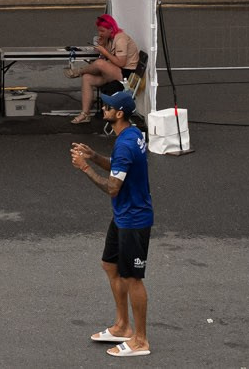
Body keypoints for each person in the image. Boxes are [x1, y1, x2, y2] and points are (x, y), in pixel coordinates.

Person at [70, 88, 154, 358]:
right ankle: (122, 326)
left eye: (107, 107)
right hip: (124, 216)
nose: (103, 109)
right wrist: (94, 156)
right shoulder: (130, 134)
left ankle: (140, 340)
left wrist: (85, 167)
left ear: (119, 114)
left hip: (134, 219)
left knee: (132, 278)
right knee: (110, 264)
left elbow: (113, 188)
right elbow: (120, 166)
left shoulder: (126, 144)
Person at [66, 12, 140, 124]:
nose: (100, 33)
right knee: (87, 78)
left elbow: (121, 62)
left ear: (111, 29)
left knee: (100, 63)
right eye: (99, 31)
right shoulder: (110, 38)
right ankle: (85, 114)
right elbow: (108, 57)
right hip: (115, 71)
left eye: (102, 31)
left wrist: (104, 50)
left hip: (126, 74)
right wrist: (103, 45)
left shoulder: (121, 39)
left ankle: (79, 71)